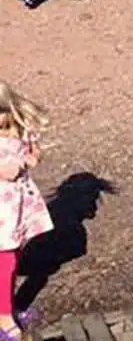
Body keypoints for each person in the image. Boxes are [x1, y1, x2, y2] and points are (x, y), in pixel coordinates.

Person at [0, 84, 53, 341]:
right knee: (5, 262)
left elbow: (33, 152)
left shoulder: (20, 127)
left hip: (17, 206)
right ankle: (4, 316)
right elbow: (6, 171)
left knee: (13, 258)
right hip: (1, 210)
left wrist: (32, 157)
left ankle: (8, 305)